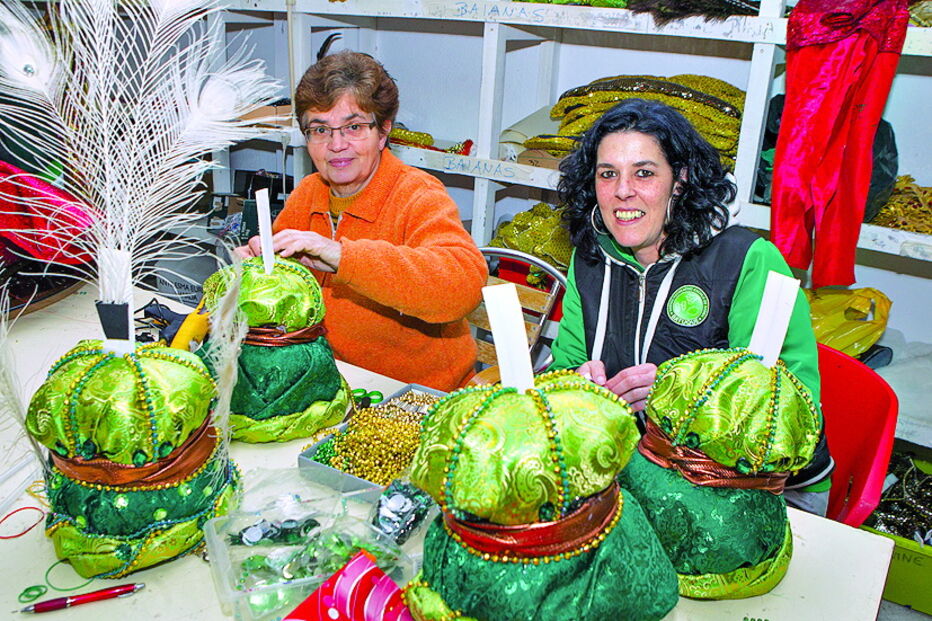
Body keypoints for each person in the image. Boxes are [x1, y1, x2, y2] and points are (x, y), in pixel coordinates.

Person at [549, 98, 832, 512]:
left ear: (679, 180)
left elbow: (789, 413)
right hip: (639, 468)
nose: (622, 190)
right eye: (607, 174)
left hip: (760, 487)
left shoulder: (748, 259)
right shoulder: (591, 257)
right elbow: (564, 364)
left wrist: (676, 396)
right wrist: (576, 382)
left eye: (644, 173)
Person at [236, 51, 487, 392]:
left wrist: (342, 256)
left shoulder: (417, 195)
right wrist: (253, 275)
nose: (336, 145)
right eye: (320, 129)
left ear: (383, 131)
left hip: (414, 394)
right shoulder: (309, 194)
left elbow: (463, 285)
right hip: (330, 383)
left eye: (354, 127)